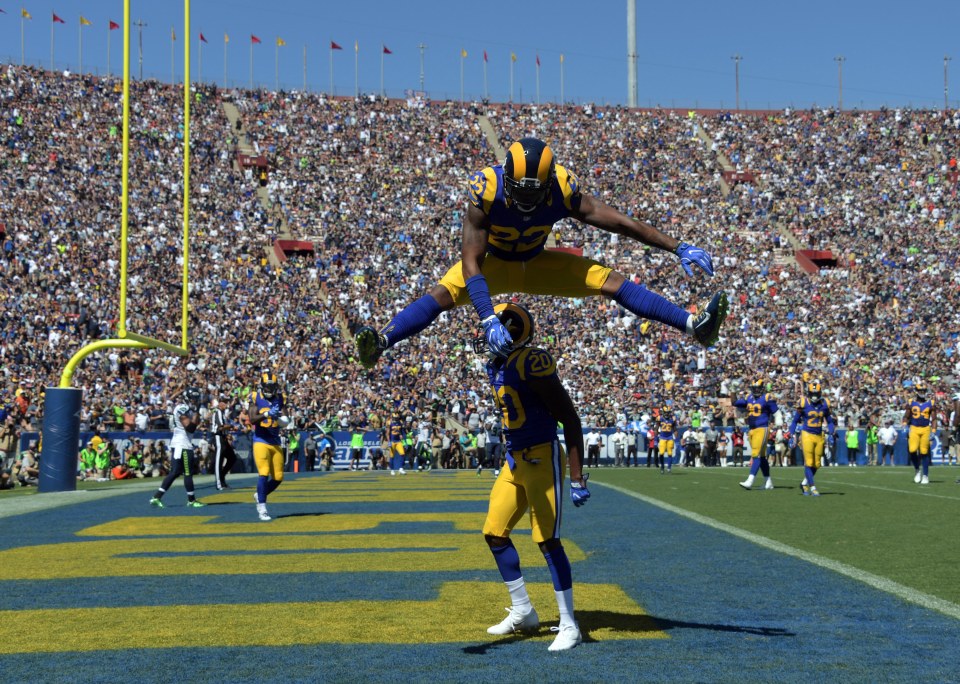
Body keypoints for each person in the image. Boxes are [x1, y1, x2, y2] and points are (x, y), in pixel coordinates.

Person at [354, 137, 728, 369]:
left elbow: (620, 222)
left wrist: (676, 246)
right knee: (441, 293)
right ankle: (381, 342)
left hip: (538, 260)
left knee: (610, 280)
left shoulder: (563, 188)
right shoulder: (486, 189)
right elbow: (471, 261)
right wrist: (487, 317)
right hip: (494, 263)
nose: (529, 199)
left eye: (536, 191)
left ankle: (694, 326)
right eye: (522, 190)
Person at [475, 302, 589, 652]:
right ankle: (524, 610)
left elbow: (569, 418)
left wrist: (577, 476)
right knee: (494, 533)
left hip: (541, 457)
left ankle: (569, 624)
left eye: (495, 327)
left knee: (547, 541)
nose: (486, 334)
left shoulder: (532, 361)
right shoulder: (498, 365)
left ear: (510, 330)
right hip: (514, 460)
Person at [149, 387, 206, 509]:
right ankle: (191, 500)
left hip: (180, 444)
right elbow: (190, 428)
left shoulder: (186, 408)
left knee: (175, 472)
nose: (195, 400)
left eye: (196, 398)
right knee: (187, 473)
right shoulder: (182, 408)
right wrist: (196, 412)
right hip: (183, 445)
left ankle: (156, 497)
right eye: (193, 398)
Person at [248, 371, 287, 521]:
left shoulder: (280, 398)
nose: (270, 390)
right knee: (263, 472)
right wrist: (266, 414)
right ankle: (262, 507)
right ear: (262, 386)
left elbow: (286, 419)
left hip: (275, 441)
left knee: (278, 477)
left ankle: (259, 494)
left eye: (273, 387)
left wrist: (281, 419)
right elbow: (252, 419)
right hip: (261, 440)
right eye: (268, 387)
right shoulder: (255, 397)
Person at [789, 380, 835, 497]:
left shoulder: (825, 404)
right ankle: (813, 487)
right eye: (812, 394)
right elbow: (795, 421)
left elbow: (829, 421)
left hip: (819, 435)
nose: (814, 396)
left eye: (816, 394)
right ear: (809, 393)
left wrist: (831, 433)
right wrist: (791, 434)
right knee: (809, 463)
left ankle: (804, 483)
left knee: (817, 464)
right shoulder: (803, 402)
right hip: (807, 434)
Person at [735, 379, 779, 491]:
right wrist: (731, 391)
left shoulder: (767, 397)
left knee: (756, 455)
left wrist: (779, 423)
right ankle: (768, 481)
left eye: (758, 388)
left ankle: (750, 480)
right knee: (762, 457)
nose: (756, 391)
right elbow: (734, 402)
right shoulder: (749, 397)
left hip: (762, 428)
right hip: (752, 429)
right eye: (754, 389)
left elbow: (776, 412)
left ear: (762, 388)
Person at [903, 381, 936, 485]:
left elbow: (934, 419)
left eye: (924, 390)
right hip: (914, 427)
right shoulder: (911, 402)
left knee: (924, 452)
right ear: (916, 391)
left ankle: (925, 475)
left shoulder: (931, 403)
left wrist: (934, 431)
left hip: (926, 428)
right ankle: (917, 470)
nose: (922, 392)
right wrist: (904, 425)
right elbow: (906, 416)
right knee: (912, 450)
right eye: (920, 390)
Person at [209, 396, 237, 490]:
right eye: (224, 402)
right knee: (219, 461)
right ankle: (219, 484)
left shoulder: (221, 413)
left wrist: (227, 433)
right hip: (218, 437)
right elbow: (220, 427)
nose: (226, 404)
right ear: (220, 404)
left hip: (223, 438)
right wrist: (231, 426)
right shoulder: (217, 411)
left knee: (232, 458)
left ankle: (221, 477)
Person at [658, 406, 677, 473]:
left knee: (670, 453)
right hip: (662, 437)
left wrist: (675, 435)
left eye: (668, 412)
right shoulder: (660, 418)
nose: (666, 414)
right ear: (663, 412)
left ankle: (669, 468)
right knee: (661, 453)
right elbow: (656, 427)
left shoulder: (672, 419)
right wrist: (656, 435)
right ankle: (662, 467)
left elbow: (674, 429)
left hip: (670, 437)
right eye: (665, 412)